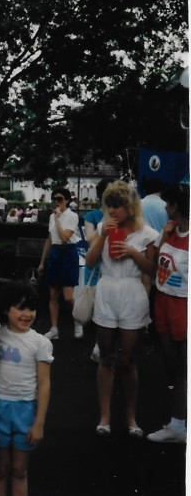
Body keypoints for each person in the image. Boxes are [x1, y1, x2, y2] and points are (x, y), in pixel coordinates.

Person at [85, 181, 158, 438]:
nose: (113, 210)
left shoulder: (146, 233)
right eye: (110, 205)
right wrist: (103, 235)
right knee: (105, 357)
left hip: (132, 293)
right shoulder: (102, 228)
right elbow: (90, 263)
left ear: (130, 207)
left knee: (128, 360)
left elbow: (152, 271)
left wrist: (132, 253)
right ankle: (104, 416)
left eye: (118, 205)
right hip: (107, 292)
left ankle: (131, 418)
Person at [0, 280, 53, 496]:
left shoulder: (40, 343)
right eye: (20, 308)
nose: (27, 314)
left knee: (19, 470)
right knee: (0, 469)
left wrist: (39, 423)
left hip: (25, 411)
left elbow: (44, 384)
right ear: (6, 309)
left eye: (31, 308)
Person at [146, 184, 188, 444]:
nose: (163, 208)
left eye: (167, 204)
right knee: (173, 370)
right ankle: (178, 423)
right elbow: (157, 264)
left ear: (175, 206)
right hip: (163, 303)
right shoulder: (170, 232)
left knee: (183, 371)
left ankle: (178, 425)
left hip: (183, 307)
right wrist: (164, 236)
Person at [37, 187, 81, 340]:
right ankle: (54, 328)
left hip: (68, 253)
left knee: (68, 297)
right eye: (54, 199)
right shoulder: (52, 217)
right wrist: (42, 261)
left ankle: (78, 322)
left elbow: (64, 237)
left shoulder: (72, 216)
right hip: (55, 254)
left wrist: (57, 218)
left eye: (60, 199)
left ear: (67, 200)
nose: (56, 202)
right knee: (53, 295)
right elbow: (50, 240)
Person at [82, 178, 114, 362]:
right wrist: (105, 224)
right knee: (98, 309)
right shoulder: (92, 216)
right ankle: (98, 344)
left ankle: (99, 346)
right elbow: (90, 240)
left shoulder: (123, 217)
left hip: (114, 269)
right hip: (95, 268)